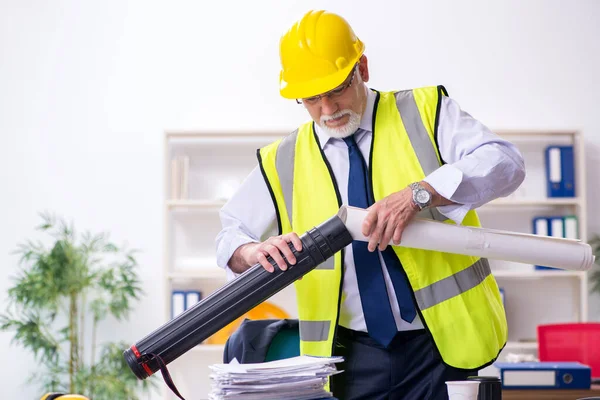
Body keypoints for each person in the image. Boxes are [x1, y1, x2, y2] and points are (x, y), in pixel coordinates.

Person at [215, 9, 526, 400]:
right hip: (349, 359)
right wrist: (252, 251)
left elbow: (505, 162)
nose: (327, 109)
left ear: (362, 68)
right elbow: (229, 236)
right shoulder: (283, 159)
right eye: (311, 98)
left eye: (336, 89)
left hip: (445, 348)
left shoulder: (425, 111)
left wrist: (422, 193)